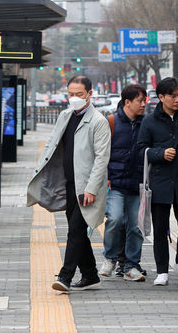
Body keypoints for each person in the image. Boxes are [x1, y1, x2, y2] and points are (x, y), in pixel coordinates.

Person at [27, 76, 111, 292]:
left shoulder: (98, 121)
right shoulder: (64, 115)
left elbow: (102, 159)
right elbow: (53, 146)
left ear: (90, 94)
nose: (74, 98)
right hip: (69, 184)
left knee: (75, 230)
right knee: (78, 231)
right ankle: (91, 275)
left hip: (87, 187)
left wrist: (91, 189)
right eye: (71, 94)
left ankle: (65, 277)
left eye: (79, 94)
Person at [136, 77, 178, 286]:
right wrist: (160, 154)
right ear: (161, 97)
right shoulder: (150, 121)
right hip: (160, 182)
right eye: (173, 95)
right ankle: (162, 270)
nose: (177, 99)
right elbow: (140, 150)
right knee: (160, 228)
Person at [98, 84, 147, 282]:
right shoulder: (111, 122)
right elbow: (102, 153)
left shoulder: (147, 124)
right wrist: (106, 177)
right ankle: (110, 259)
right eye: (140, 101)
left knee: (136, 226)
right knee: (115, 219)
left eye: (145, 100)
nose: (144, 104)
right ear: (128, 102)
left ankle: (131, 266)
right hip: (116, 184)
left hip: (138, 185)